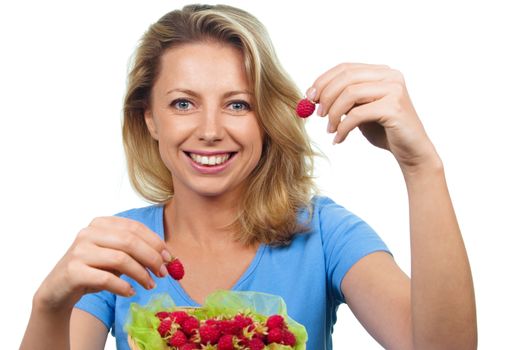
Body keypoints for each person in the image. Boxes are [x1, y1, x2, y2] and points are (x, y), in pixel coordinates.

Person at [20, 4, 477, 350]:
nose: (211, 130)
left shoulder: (325, 234)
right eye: (183, 103)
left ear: (265, 119)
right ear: (150, 120)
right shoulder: (120, 249)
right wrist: (50, 302)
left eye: (238, 104)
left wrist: (422, 168)